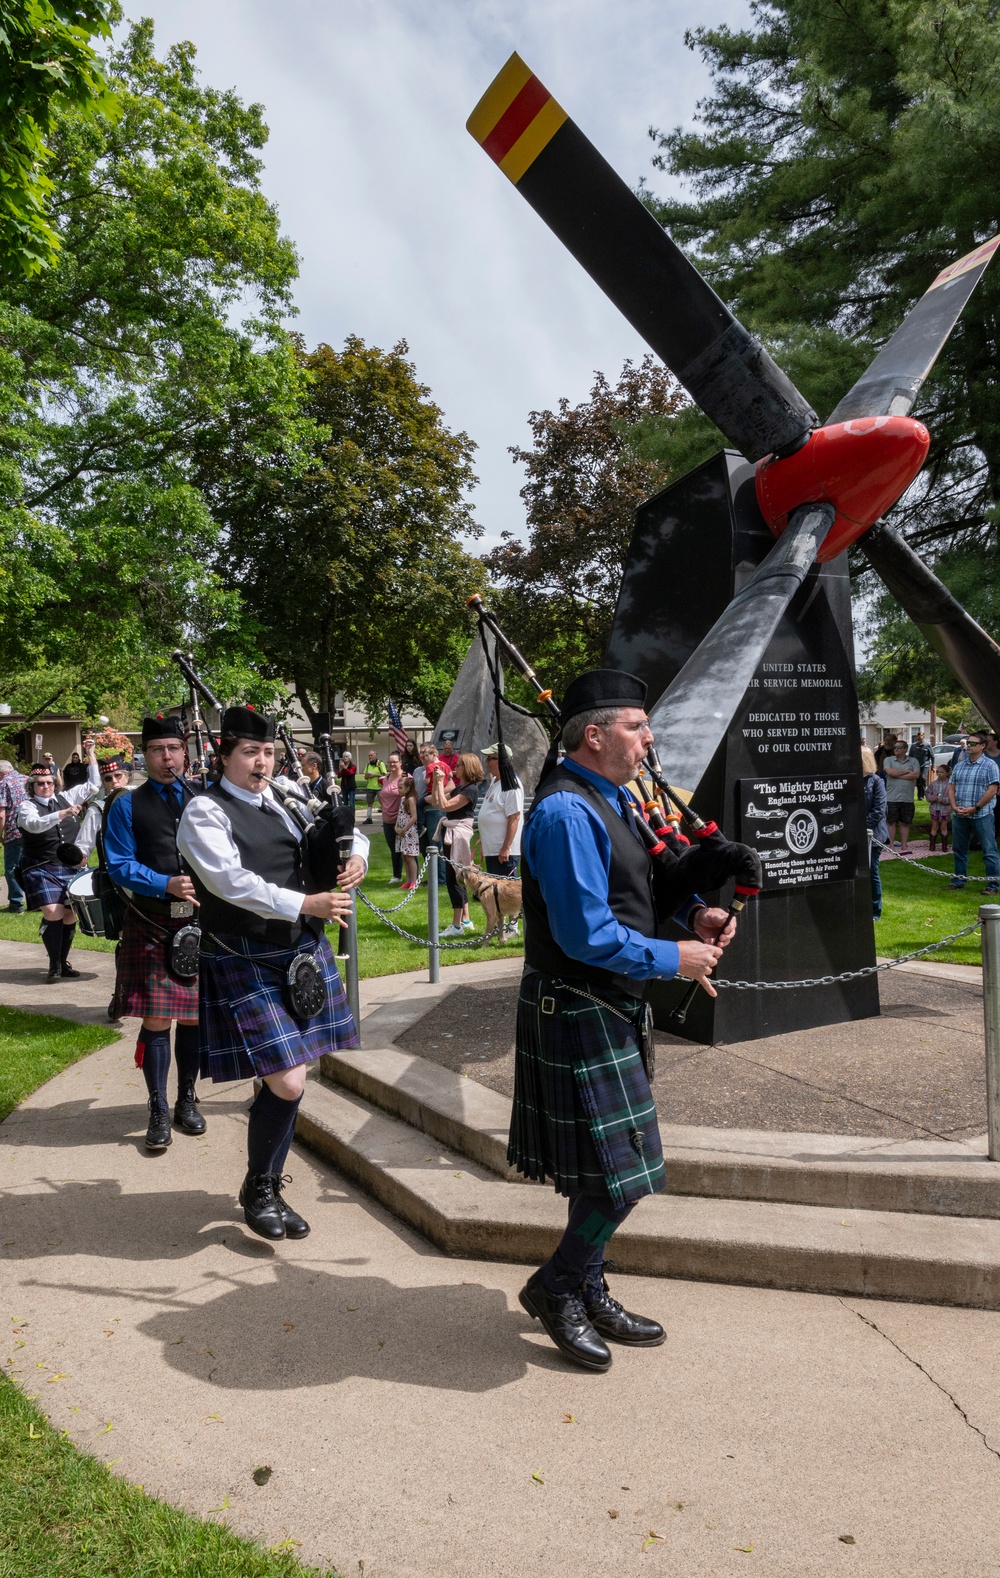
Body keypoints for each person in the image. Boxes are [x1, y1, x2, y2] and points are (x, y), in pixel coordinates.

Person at [510, 669, 733, 1372]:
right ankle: (559, 1285)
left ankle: (587, 1282)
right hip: (577, 1003)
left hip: (607, 1006)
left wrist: (693, 912)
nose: (650, 736)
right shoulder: (567, 813)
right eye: (637, 724)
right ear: (596, 734)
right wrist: (677, 957)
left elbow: (636, 884)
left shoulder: (615, 799)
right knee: (625, 1175)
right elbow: (583, 933)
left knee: (600, 1172)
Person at [177, 706, 369, 1241]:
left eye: (268, 753)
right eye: (249, 753)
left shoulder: (287, 797)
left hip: (299, 953)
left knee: (293, 1076)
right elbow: (229, 882)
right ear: (224, 755)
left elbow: (339, 829)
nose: (261, 763)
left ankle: (265, 1183)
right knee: (287, 1079)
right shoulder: (205, 812)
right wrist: (306, 903)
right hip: (244, 954)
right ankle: (261, 1187)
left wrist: (355, 857)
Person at [102, 716, 205, 1152]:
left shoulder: (204, 799)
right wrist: (165, 882)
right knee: (158, 1017)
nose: (168, 758)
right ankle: (158, 1106)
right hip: (153, 920)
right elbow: (118, 864)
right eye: (158, 750)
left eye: (175, 749)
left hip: (202, 924)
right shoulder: (126, 804)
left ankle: (187, 1099)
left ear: (186, 752)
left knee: (196, 1016)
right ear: (144, 756)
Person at [16, 743, 100, 981]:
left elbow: (93, 786)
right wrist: (62, 814)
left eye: (49, 783)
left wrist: (91, 755)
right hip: (40, 866)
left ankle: (63, 963)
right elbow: (34, 825)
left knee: (70, 915)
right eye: (40, 783)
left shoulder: (65, 797)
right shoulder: (27, 807)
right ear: (32, 786)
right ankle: (54, 964)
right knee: (54, 912)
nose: (45, 787)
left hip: (70, 867)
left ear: (55, 784)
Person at [431, 752, 485, 935]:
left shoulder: (470, 790)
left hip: (458, 835)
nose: (456, 767)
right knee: (459, 875)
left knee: (455, 878)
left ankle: (456, 926)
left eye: (460, 765)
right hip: (452, 832)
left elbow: (445, 807)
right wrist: (437, 781)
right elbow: (438, 801)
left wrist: (439, 783)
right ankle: (466, 919)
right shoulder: (460, 788)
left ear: (468, 768)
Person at [948, 731, 1000, 893]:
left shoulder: (990, 765)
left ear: (982, 746)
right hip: (960, 815)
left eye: (973, 743)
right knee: (959, 849)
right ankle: (958, 881)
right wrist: (955, 807)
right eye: (968, 743)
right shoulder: (960, 765)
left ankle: (992, 885)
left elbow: (992, 790)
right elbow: (951, 787)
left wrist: (975, 808)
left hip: (981, 815)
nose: (968, 746)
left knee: (989, 850)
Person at [478, 743, 523, 880]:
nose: (486, 761)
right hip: (493, 849)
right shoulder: (495, 782)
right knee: (496, 894)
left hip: (503, 853)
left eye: (490, 758)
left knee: (506, 895)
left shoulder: (511, 785)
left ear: (502, 760)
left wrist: (506, 848)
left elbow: (514, 817)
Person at [861, 745, 888, 919]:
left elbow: (879, 810)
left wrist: (861, 827)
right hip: (854, 834)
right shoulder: (850, 780)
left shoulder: (876, 781)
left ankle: (874, 911)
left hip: (873, 834)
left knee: (872, 872)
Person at [0, 758, 28, 914]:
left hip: (14, 830)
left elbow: (2, 814)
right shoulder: (28, 779)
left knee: (11, 868)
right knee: (31, 865)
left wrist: (0, 835)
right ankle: (36, 900)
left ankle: (16, 904)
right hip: (33, 829)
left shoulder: (4, 783)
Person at [883, 739, 921, 853]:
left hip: (907, 798)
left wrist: (897, 774)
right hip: (891, 797)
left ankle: (904, 845)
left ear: (905, 749)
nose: (895, 749)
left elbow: (916, 775)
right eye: (895, 747)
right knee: (891, 822)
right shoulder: (888, 760)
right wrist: (907, 772)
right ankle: (891, 845)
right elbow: (890, 772)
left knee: (905, 822)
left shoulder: (913, 761)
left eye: (899, 747)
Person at [378, 752, 404, 884]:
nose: (392, 764)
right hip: (387, 819)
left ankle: (412, 878)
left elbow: (410, 798)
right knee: (393, 849)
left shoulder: (405, 777)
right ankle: (397, 876)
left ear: (400, 762)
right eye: (390, 762)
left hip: (400, 819)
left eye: (394, 761)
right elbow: (382, 795)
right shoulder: (385, 778)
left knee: (405, 850)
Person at [394, 774, 420, 889]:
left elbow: (414, 817)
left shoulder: (410, 799)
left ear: (408, 788)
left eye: (400, 788)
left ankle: (414, 881)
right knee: (404, 856)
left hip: (409, 832)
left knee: (410, 856)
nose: (398, 790)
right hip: (402, 832)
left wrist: (405, 829)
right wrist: (396, 826)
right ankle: (408, 880)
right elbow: (400, 814)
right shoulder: (403, 799)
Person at [926, 764, 952, 854]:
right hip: (934, 808)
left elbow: (952, 798)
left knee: (944, 826)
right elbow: (927, 793)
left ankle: (944, 846)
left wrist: (943, 800)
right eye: (938, 772)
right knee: (934, 826)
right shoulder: (933, 784)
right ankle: (932, 845)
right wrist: (931, 798)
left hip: (945, 809)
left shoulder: (950, 785)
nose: (939, 774)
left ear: (947, 773)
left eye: (942, 772)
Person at [361, 751, 386, 824]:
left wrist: (374, 775)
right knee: (369, 803)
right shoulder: (368, 765)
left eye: (371, 755)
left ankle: (385, 819)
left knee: (383, 803)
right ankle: (369, 818)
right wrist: (368, 776)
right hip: (370, 787)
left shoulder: (380, 764)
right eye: (369, 755)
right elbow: (365, 777)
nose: (370, 757)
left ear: (375, 755)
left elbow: (385, 774)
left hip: (379, 787)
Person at [910, 730, 933, 798]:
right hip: (916, 765)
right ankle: (919, 795)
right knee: (918, 779)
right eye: (918, 736)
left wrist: (932, 766)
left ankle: (923, 794)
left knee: (923, 778)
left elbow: (932, 756)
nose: (919, 738)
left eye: (921, 736)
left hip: (925, 764)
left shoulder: (927, 745)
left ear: (923, 737)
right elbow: (910, 756)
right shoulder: (913, 745)